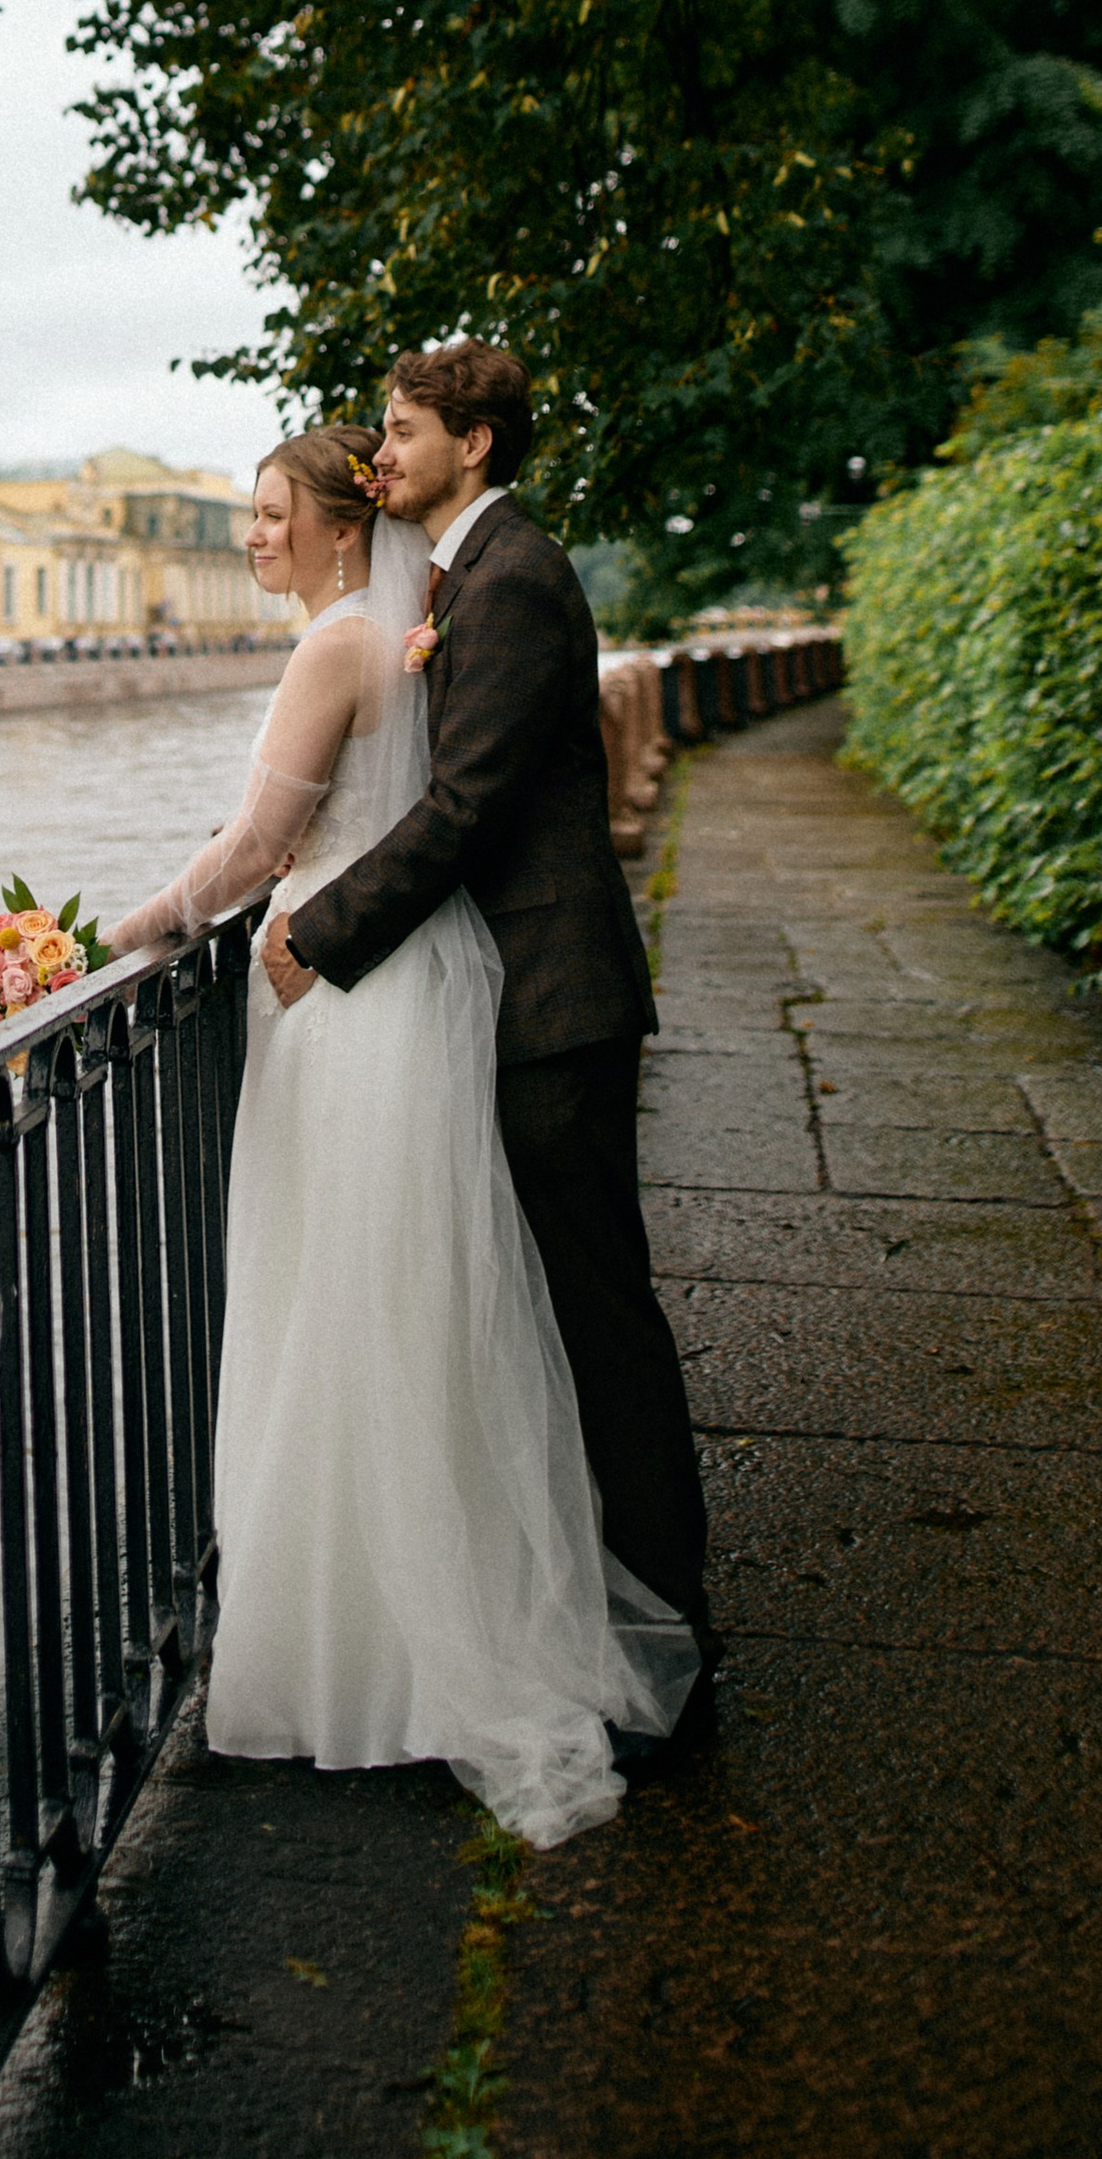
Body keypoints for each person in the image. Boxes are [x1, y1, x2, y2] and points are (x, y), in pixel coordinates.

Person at [104, 419, 696, 1847]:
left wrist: (101, 943)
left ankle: (363, 1642)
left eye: (262, 514)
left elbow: (254, 853)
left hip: (351, 1002)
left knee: (343, 1310)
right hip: (422, 991)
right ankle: (429, 1601)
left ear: (327, 527)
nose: (246, 535)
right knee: (415, 1313)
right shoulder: (414, 630)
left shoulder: (342, 648)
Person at [268, 343, 718, 1767]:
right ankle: (613, 1602)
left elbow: (461, 807)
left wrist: (317, 933)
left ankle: (672, 1640)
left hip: (552, 1008)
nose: (377, 456)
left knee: (597, 1321)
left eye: (398, 433)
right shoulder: (472, 571)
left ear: (473, 440)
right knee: (561, 1314)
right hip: (524, 1003)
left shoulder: (512, 576)